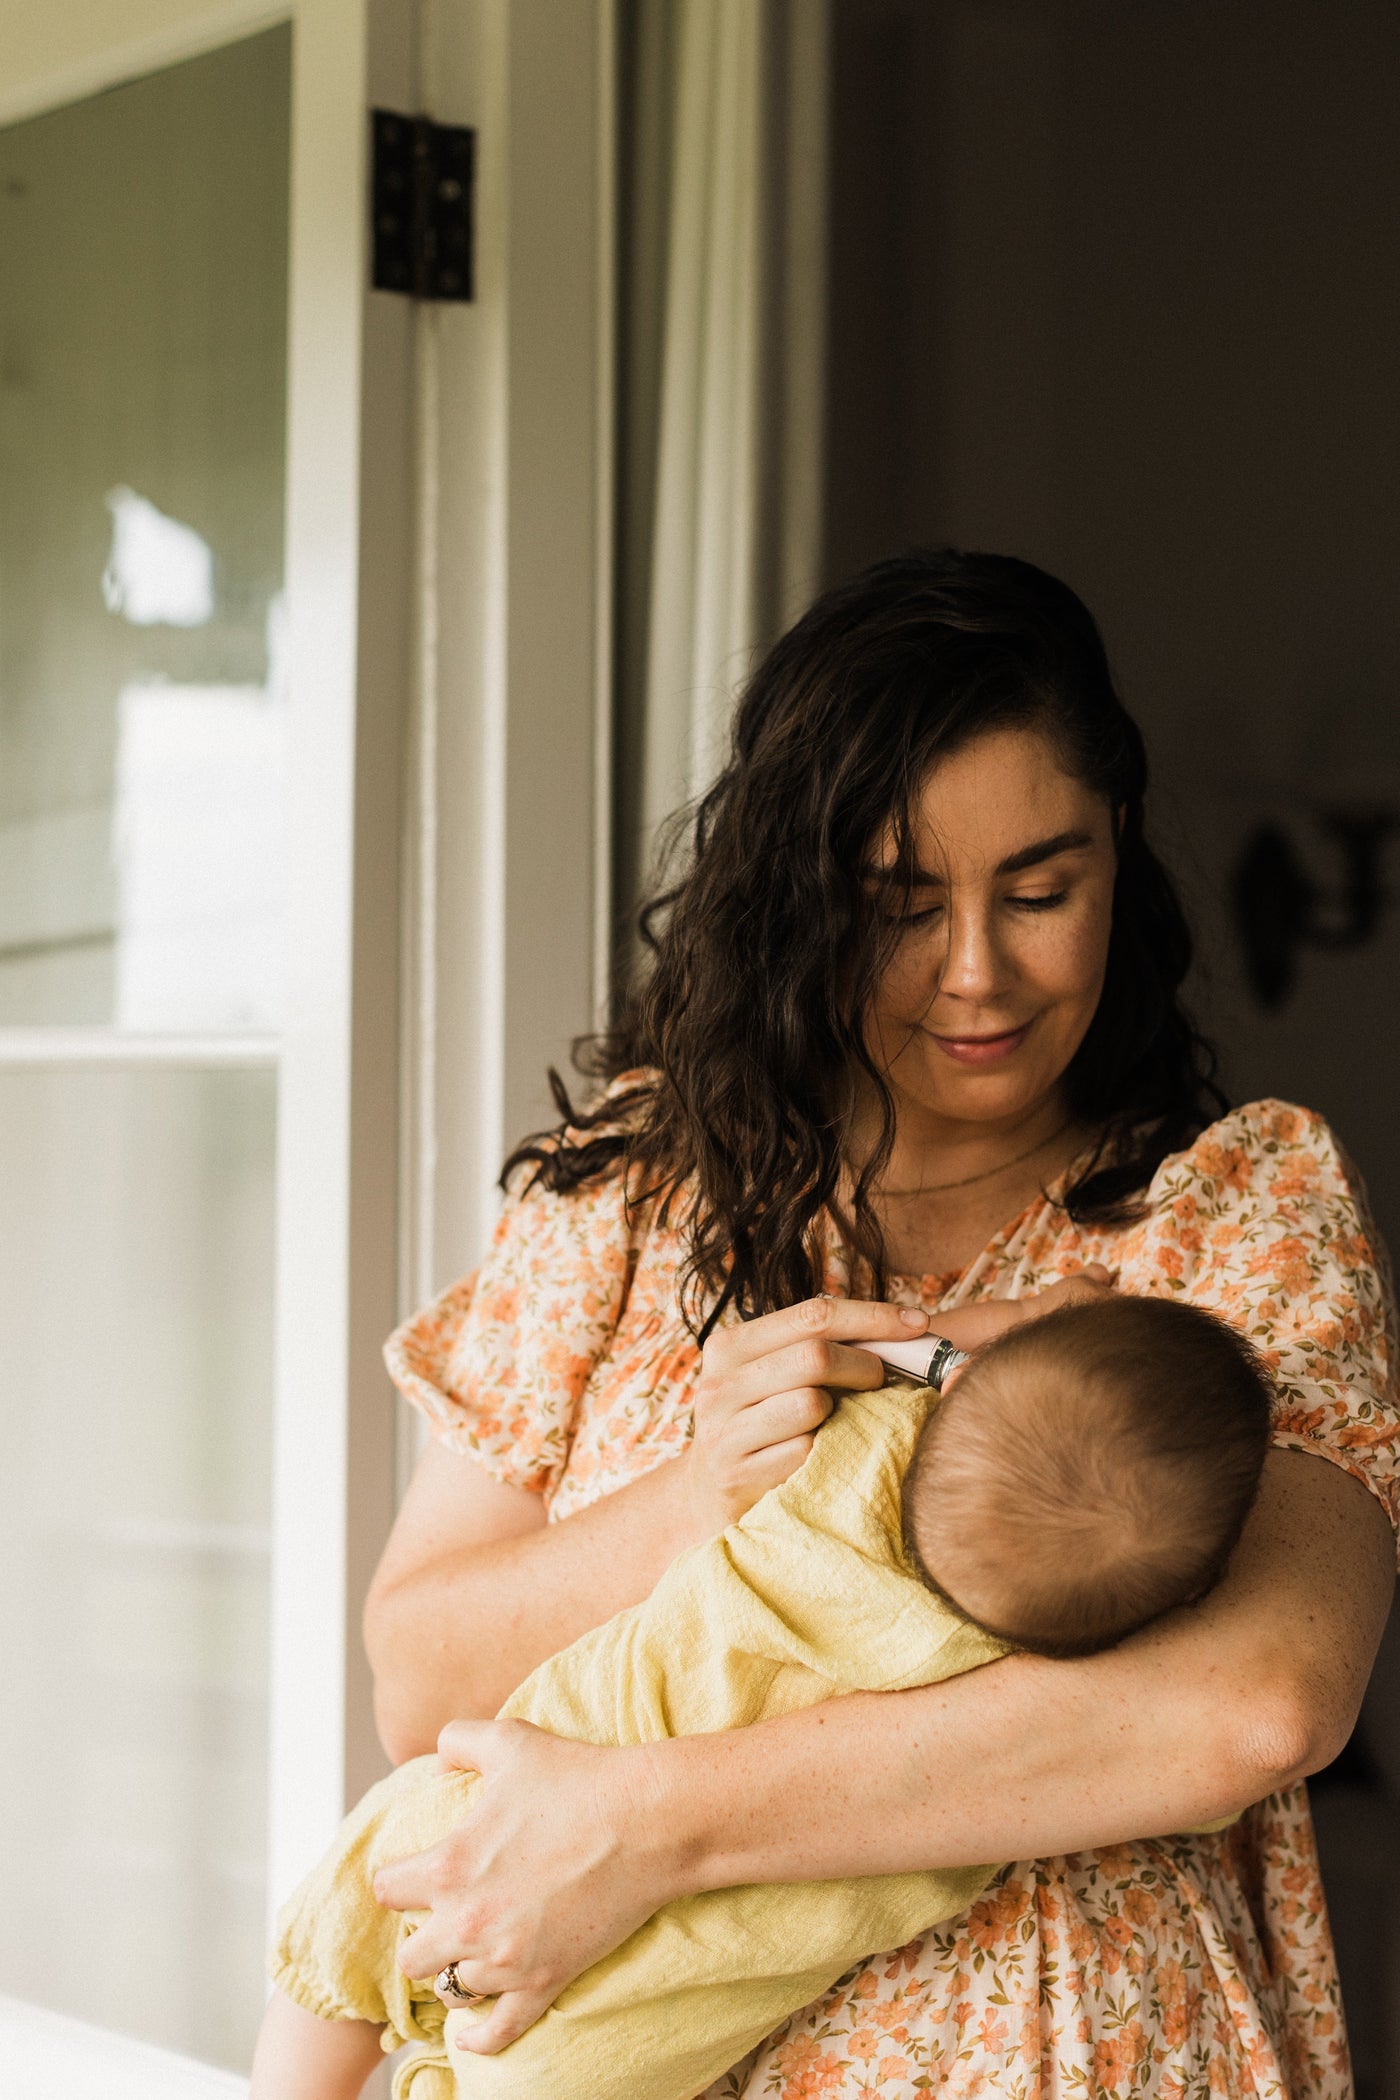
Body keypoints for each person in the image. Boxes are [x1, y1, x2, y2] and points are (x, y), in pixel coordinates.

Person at [354, 551, 1396, 2097]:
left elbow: (1255, 1704)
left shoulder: (1234, 1216)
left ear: (1122, 852)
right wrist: (694, 1500)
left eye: (1044, 891)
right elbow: (420, 1683)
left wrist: (649, 1827)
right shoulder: (630, 1205)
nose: (979, 974)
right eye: (900, 907)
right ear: (793, 899)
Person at [251, 1296, 1273, 2100]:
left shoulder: (854, 1456)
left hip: (510, 1797)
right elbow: (1208, 1750)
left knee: (361, 1897)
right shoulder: (1056, 1677)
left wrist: (1010, 1324)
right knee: (536, 2069)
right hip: (632, 2031)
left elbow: (899, 1354)